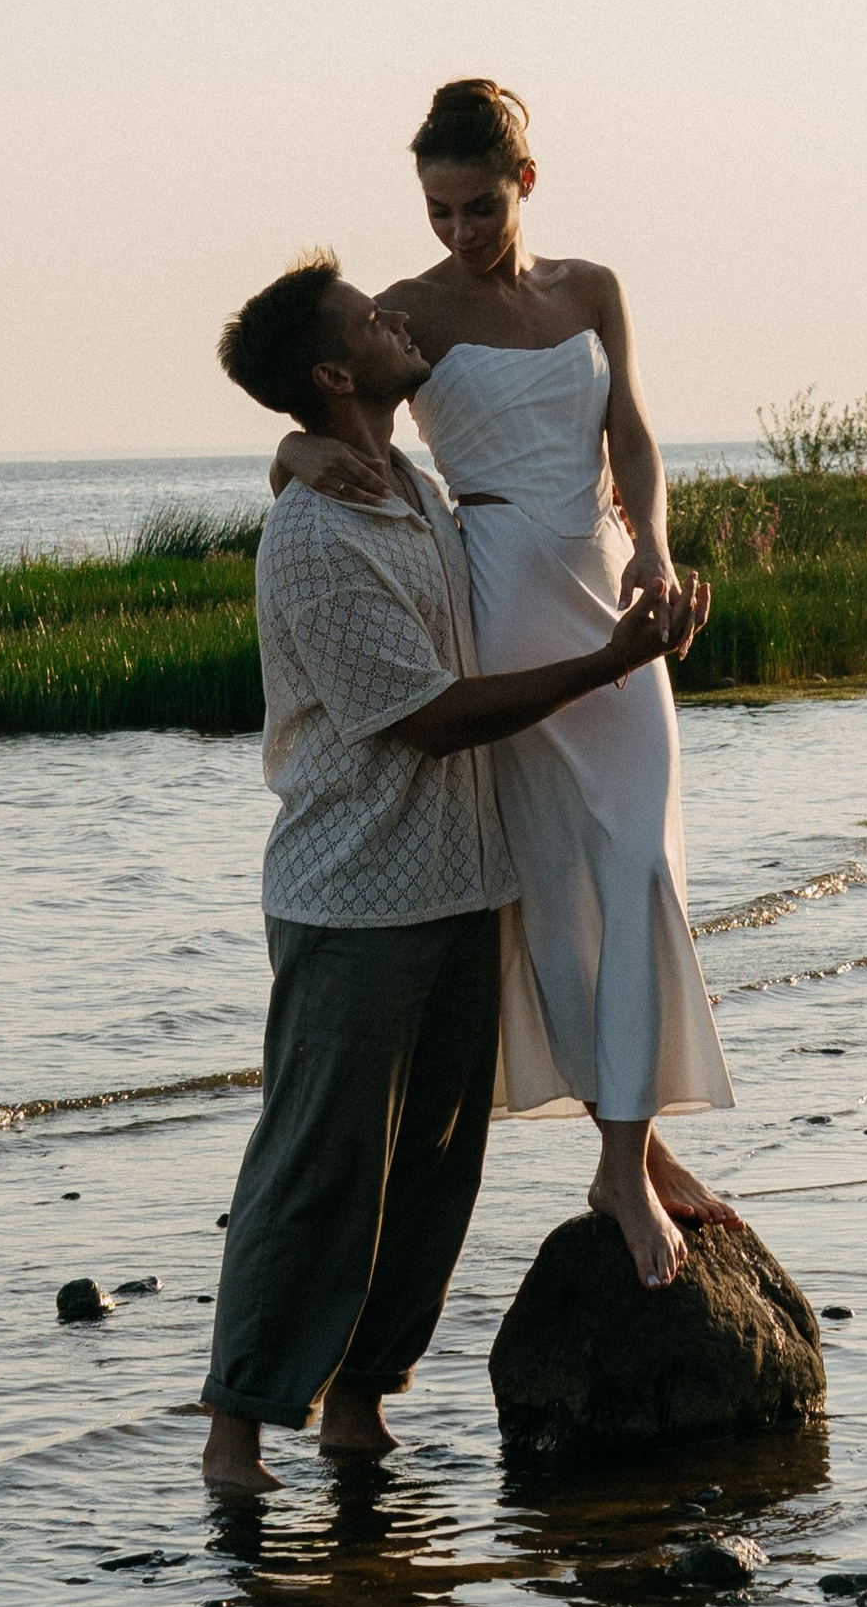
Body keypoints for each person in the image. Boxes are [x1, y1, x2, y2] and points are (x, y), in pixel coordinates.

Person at [199, 250, 698, 1495]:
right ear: (333, 372)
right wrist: (604, 665)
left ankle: (360, 1408)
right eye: (366, 320)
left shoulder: (410, 491)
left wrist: (295, 442)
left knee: (432, 1172)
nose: (393, 313)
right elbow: (430, 719)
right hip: (355, 901)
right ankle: (236, 1433)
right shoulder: (316, 540)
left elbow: (587, 453)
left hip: (459, 885)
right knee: (319, 1166)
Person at [273, 79, 735, 1289]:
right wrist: (287, 450)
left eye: (478, 207)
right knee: (556, 887)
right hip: (496, 599)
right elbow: (325, 391)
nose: (458, 233)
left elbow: (631, 434)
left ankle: (631, 1151)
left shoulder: (592, 290)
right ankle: (626, 1157)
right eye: (437, 210)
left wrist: (657, 549)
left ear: (524, 183)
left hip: (606, 584)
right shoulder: (407, 313)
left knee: (642, 866)